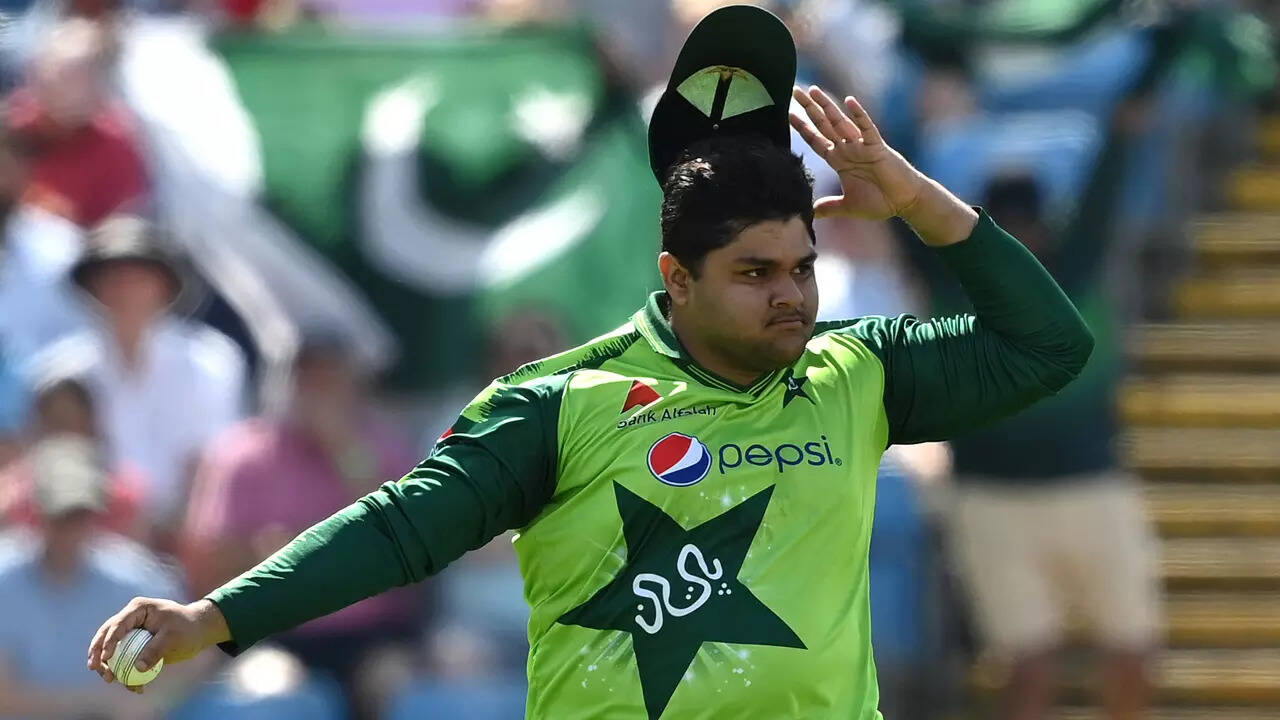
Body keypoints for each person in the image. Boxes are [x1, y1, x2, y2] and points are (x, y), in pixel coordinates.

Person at [87, 7, 1091, 719]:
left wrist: (916, 201)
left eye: (800, 268)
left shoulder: (855, 372)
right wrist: (216, 616)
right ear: (676, 278)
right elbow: (397, 532)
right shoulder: (558, 402)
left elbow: (1050, 346)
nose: (790, 294)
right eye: (753, 273)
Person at [181, 330, 421, 717]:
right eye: (307, 378)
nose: (317, 390)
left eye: (329, 378)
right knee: (276, 692)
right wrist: (271, 554)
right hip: (274, 633)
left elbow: (410, 539)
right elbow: (204, 559)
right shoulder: (242, 453)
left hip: (372, 634)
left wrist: (344, 449)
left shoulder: (386, 447)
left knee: (402, 689)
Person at [29, 214, 245, 549]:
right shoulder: (60, 368)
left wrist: (178, 532)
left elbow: (215, 464)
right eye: (113, 279)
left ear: (165, 287)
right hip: (90, 540)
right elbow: (55, 467)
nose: (125, 290)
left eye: (138, 279)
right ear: (93, 290)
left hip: (189, 538)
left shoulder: (210, 362)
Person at [0, 434, 176, 719]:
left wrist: (151, 700)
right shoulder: (4, 579)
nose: (70, 530)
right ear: (38, 511)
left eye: (78, 515)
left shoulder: (134, 577)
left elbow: (195, 657)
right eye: (60, 516)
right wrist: (100, 704)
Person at [0, 374, 147, 540]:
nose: (64, 432)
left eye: (72, 420)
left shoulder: (124, 497)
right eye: (54, 422)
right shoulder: (14, 498)